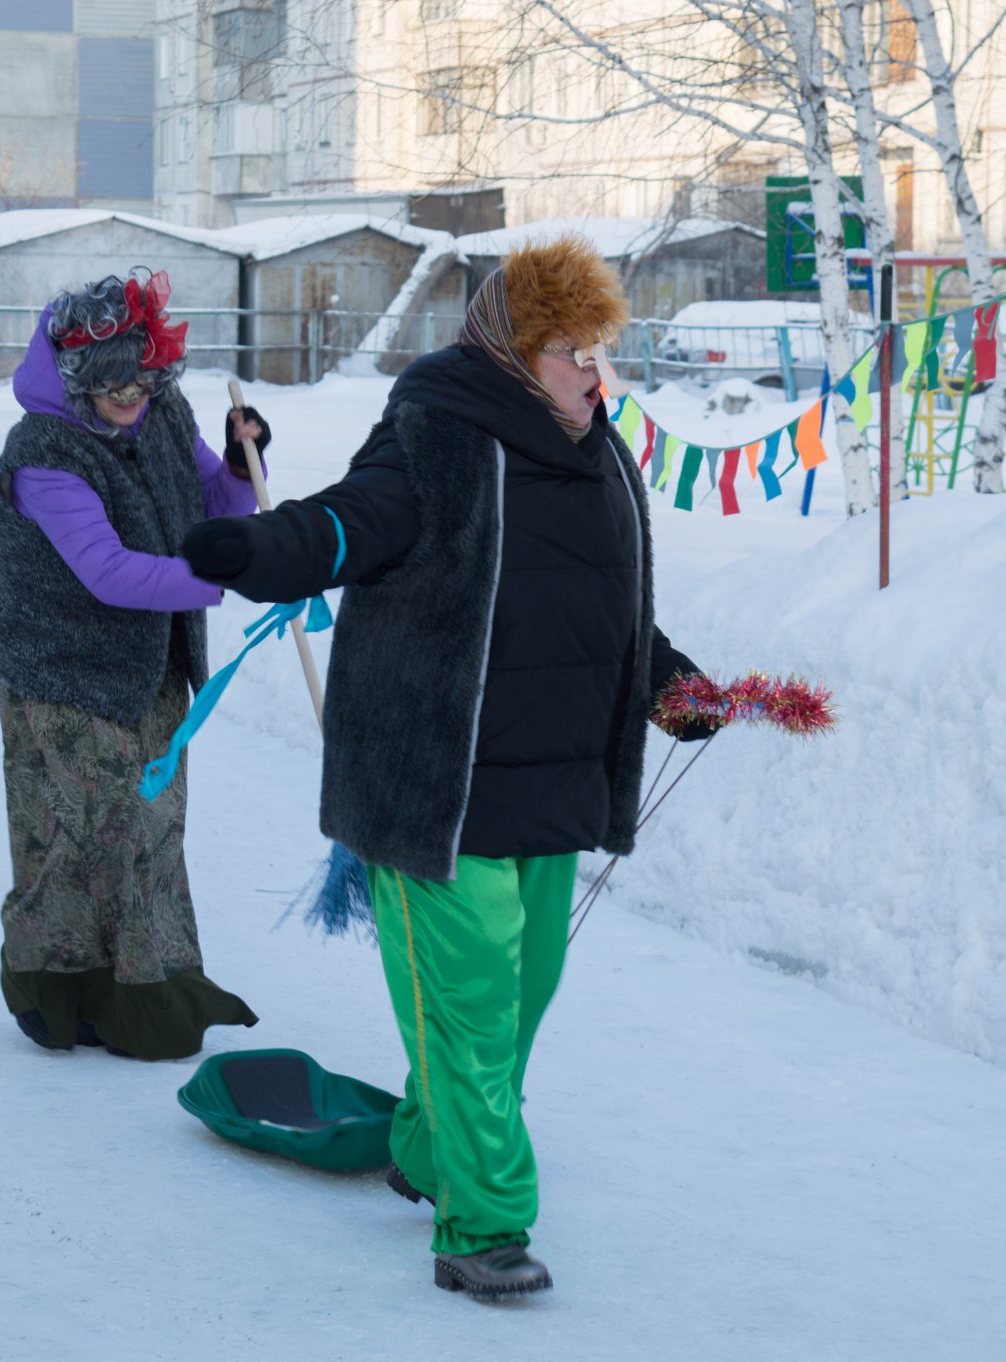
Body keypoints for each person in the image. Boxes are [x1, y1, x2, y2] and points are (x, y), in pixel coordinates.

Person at [180, 237, 714, 1300]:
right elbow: (354, 522)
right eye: (571, 352)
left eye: (599, 352)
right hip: (441, 787)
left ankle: (429, 1151)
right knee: (468, 1013)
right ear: (515, 352)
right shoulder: (443, 429)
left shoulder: (598, 450)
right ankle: (482, 1223)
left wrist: (667, 679)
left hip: (555, 786)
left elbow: (604, 605)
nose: (592, 375)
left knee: (517, 1004)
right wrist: (259, 551)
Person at [0, 268, 265, 1061]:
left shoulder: (162, 411)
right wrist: (232, 575)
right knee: (74, 835)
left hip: (150, 667)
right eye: (115, 387)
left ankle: (142, 988)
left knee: (151, 828)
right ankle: (58, 992)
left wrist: (241, 472)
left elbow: (211, 503)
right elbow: (106, 570)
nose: (134, 396)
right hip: (64, 672)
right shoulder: (42, 453)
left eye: (145, 379)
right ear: (76, 379)